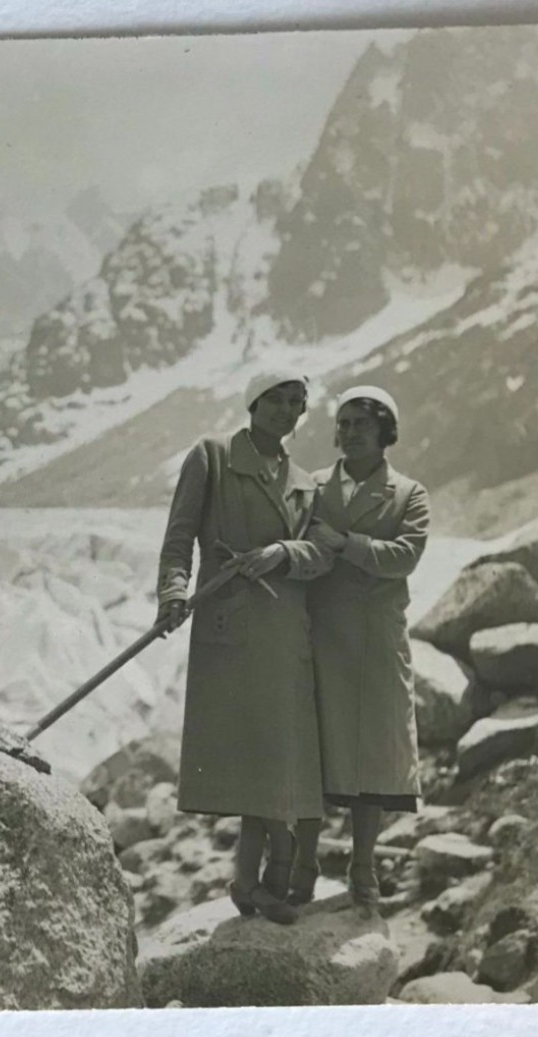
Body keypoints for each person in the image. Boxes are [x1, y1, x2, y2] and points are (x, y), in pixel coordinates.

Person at [155, 369, 332, 925]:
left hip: (285, 632)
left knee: (280, 756)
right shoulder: (210, 458)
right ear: (253, 402)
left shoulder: (304, 482)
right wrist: (173, 593)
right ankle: (253, 884)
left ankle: (258, 884)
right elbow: (179, 536)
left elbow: (321, 553)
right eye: (277, 400)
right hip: (231, 627)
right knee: (254, 756)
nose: (287, 411)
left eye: (297, 403)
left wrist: (284, 552)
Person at [290, 385, 430, 917]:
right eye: (342, 424)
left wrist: (342, 543)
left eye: (360, 425)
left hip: (375, 639)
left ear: (384, 433)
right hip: (319, 635)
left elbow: (404, 556)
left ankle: (363, 866)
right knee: (313, 752)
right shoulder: (314, 486)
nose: (348, 433)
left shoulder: (409, 494)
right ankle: (304, 865)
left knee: (371, 755)